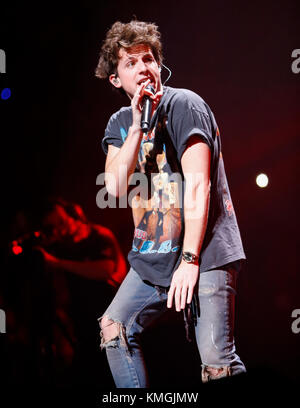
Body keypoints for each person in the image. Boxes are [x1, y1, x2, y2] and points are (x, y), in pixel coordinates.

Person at [95, 20, 246, 387]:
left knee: (217, 364)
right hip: (154, 256)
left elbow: (198, 185)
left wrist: (191, 260)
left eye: (148, 58)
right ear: (116, 79)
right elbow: (114, 188)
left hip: (204, 253)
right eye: (130, 63)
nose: (143, 67)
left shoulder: (184, 104)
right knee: (114, 327)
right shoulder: (119, 124)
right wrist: (135, 129)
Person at [7, 198, 127, 386]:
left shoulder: (98, 235)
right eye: (54, 227)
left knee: (113, 373)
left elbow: (105, 269)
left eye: (62, 222)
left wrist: (58, 263)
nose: (61, 229)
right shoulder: (63, 245)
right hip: (81, 323)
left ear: (75, 215)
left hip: (110, 316)